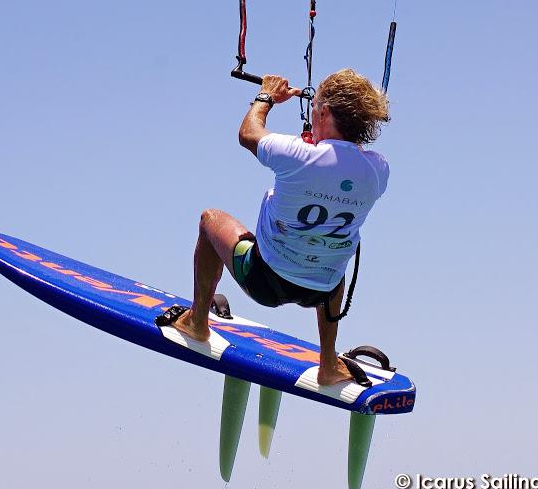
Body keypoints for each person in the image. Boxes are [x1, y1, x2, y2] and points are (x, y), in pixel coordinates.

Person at [165, 69, 390, 385]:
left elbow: (248, 133)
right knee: (330, 250)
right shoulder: (379, 170)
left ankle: (197, 321)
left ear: (324, 112)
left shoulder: (296, 155)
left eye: (315, 108)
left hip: (264, 280)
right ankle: (328, 363)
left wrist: (266, 97)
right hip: (321, 290)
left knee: (210, 220)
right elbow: (338, 168)